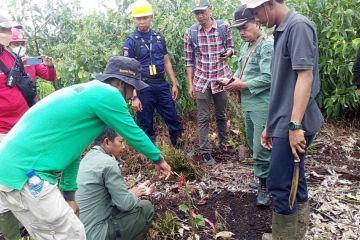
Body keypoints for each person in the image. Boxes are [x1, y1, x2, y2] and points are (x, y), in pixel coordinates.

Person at [0, 56, 172, 240]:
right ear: (121, 84)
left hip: (8, 171)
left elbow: (72, 150)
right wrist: (158, 159)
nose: (133, 95)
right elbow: (133, 131)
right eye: (133, 88)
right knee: (72, 235)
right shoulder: (109, 94)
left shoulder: (85, 94)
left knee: (54, 234)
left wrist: (69, 195)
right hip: (28, 175)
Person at [245, 0, 324, 239]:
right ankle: (296, 232)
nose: (256, 18)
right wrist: (271, 124)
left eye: (256, 11)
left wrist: (294, 125)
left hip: (294, 122)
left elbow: (305, 77)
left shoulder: (297, 26)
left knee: (279, 184)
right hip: (283, 120)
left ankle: (285, 236)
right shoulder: (281, 30)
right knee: (293, 178)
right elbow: (281, 86)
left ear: (269, 4)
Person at [0, 25, 57, 240]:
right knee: (5, 182)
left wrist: (49, 66)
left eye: (22, 44)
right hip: (4, 131)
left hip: (27, 123)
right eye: (16, 44)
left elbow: (48, 75)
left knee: (33, 170)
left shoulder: (22, 62)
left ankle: (39, 218)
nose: (19, 47)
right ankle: (14, 230)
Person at [224, 4, 273, 207]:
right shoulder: (246, 47)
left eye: (245, 27)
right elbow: (242, 72)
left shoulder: (266, 45)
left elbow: (269, 77)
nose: (242, 32)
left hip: (262, 104)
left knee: (262, 147)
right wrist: (230, 81)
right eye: (239, 29)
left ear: (257, 22)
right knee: (254, 144)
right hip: (248, 103)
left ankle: (266, 186)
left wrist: (242, 84)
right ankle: (263, 179)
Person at [123, 0, 184, 148]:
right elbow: (128, 72)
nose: (142, 21)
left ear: (151, 17)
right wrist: (134, 96)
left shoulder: (158, 37)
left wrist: (174, 83)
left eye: (145, 18)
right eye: (139, 18)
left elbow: (166, 61)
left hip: (161, 84)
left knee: (173, 118)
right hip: (143, 86)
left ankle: (180, 150)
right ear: (134, 19)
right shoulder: (131, 42)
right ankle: (151, 157)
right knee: (146, 123)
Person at [76, 127, 155, 240]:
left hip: (78, 232)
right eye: (121, 141)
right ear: (107, 142)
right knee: (146, 207)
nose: (123, 147)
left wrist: (130, 194)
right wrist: (135, 194)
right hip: (95, 233)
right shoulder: (108, 163)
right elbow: (125, 205)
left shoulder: (86, 159)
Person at [184, 0, 235, 165]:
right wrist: (190, 84)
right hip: (201, 79)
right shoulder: (191, 32)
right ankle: (205, 151)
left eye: (203, 11)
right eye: (196, 13)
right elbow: (189, 61)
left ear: (210, 9)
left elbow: (231, 47)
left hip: (221, 77)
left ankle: (225, 144)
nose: (200, 16)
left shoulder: (223, 27)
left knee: (221, 114)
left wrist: (228, 53)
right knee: (203, 117)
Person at [0, 13, 27, 240]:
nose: (8, 34)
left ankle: (26, 223)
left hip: (21, 129)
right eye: (4, 30)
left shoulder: (9, 55)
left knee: (27, 178)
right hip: (1, 133)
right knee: (3, 188)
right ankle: (11, 235)